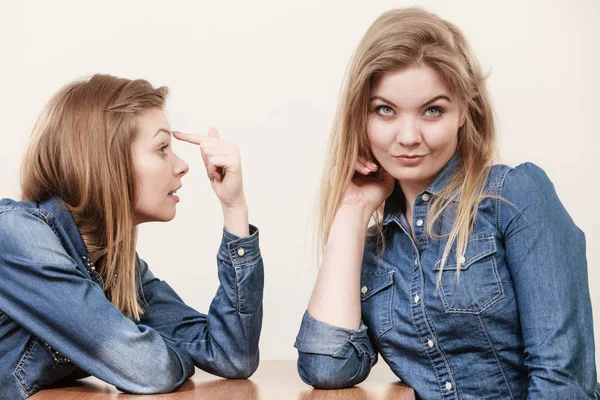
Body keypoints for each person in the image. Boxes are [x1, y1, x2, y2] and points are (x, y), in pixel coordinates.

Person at [294, 8, 599, 399]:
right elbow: (326, 366)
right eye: (384, 110)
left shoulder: (516, 195)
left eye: (432, 110)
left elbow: (564, 382)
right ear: (361, 116)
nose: (407, 136)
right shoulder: (373, 250)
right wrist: (352, 211)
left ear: (462, 111)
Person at [0, 74, 264, 399]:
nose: (182, 166)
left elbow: (233, 356)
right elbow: (150, 370)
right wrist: (169, 354)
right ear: (106, 162)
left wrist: (234, 207)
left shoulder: (117, 270)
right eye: (162, 148)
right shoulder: (15, 236)